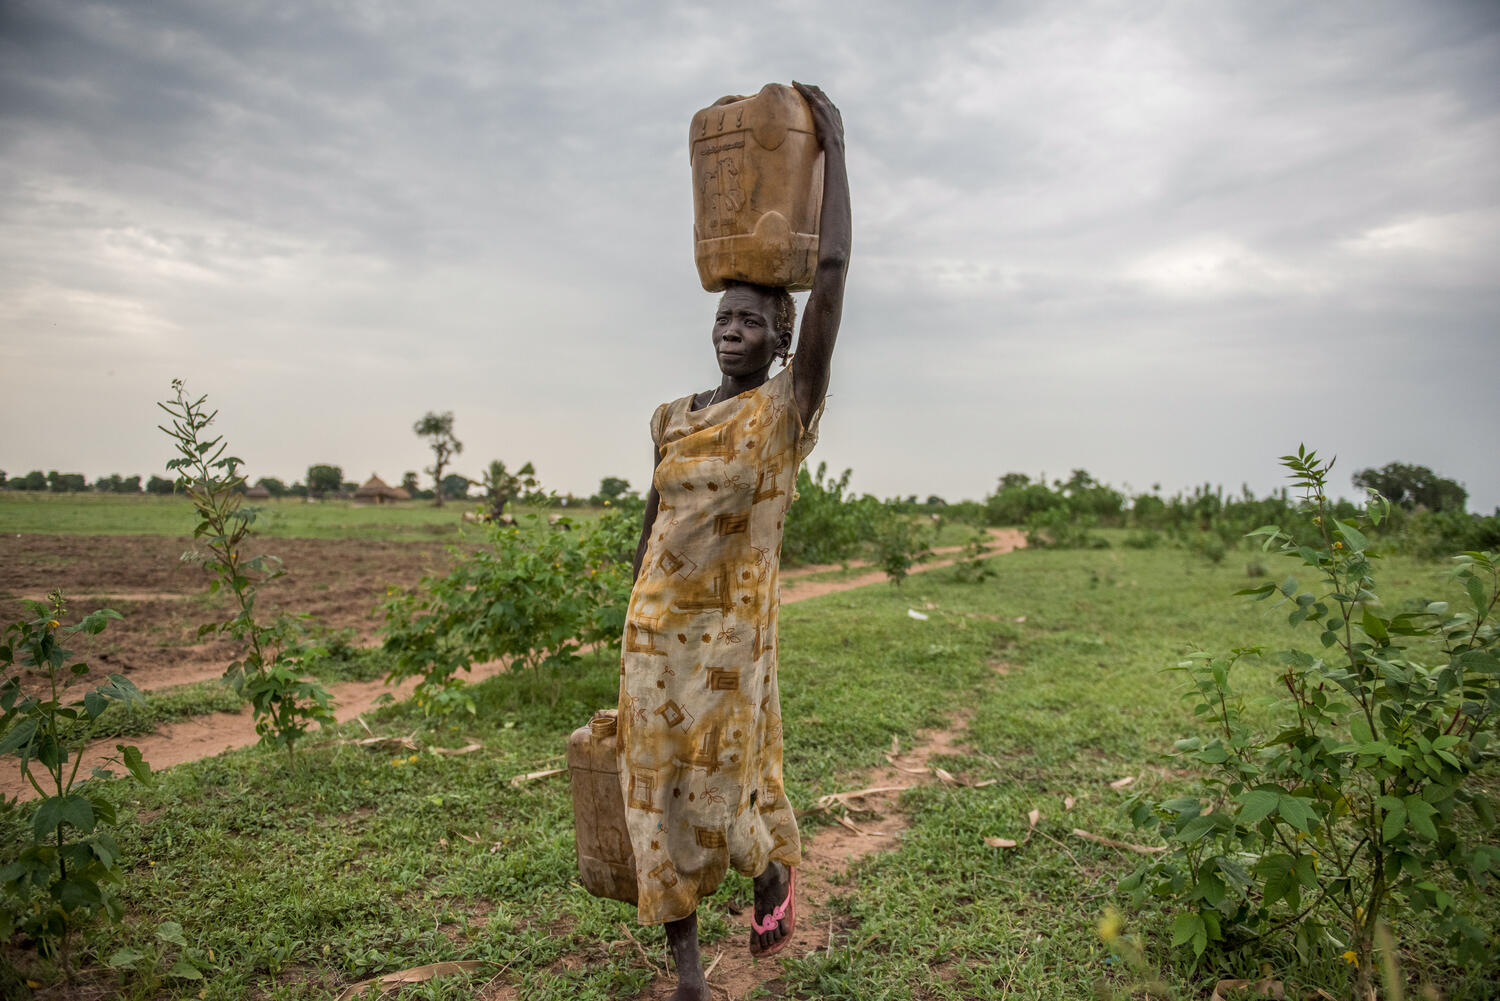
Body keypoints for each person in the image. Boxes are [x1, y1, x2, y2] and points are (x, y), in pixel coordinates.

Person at [615, 81, 849, 1000]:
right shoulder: (675, 415)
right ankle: (686, 972)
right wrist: (626, 609)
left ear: (781, 335)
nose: (731, 332)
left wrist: (834, 155)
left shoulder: (785, 413)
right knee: (653, 795)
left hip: (732, 639)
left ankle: (769, 871)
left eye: (750, 320)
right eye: (723, 319)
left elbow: (828, 277)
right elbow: (654, 514)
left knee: (728, 790)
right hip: (654, 634)